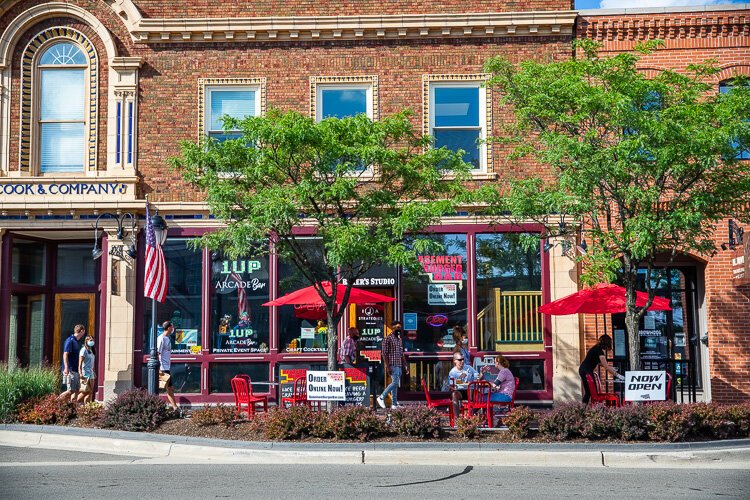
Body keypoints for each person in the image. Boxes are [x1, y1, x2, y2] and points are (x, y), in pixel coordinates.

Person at [579, 334, 623, 404]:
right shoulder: (599, 351)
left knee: (588, 392)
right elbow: (606, 367)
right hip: (586, 371)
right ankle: (591, 408)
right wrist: (618, 375)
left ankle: (583, 409)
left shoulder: (596, 348)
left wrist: (610, 367)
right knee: (593, 393)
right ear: (607, 343)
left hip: (583, 370)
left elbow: (599, 362)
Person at [377, 320, 408, 409]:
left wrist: (405, 365)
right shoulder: (387, 339)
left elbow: (401, 353)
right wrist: (387, 366)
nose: (399, 329)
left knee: (396, 384)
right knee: (394, 383)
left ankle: (394, 404)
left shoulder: (399, 339)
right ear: (393, 327)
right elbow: (384, 353)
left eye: (400, 328)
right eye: (398, 327)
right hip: (392, 364)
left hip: (399, 364)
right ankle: (381, 397)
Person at [58, 324, 86, 403]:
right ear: (81, 331)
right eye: (84, 331)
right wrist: (66, 368)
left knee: (76, 390)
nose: (84, 333)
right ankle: (55, 402)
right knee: (70, 390)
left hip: (76, 369)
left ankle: (72, 407)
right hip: (70, 370)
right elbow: (65, 354)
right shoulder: (70, 340)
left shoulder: (77, 342)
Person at [448, 352, 478, 418]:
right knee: (454, 395)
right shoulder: (452, 372)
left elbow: (477, 376)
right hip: (460, 391)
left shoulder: (469, 368)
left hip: (470, 391)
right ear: (454, 361)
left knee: (482, 396)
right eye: (460, 360)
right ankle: (457, 419)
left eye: (463, 359)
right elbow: (451, 384)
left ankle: (470, 415)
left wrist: (480, 375)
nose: (462, 361)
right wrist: (461, 378)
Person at [157, 321, 178, 410]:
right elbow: (158, 353)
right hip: (163, 367)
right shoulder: (161, 338)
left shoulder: (167, 338)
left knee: (169, 388)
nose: (173, 329)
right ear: (169, 328)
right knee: (169, 388)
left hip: (167, 367)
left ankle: (174, 407)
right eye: (172, 327)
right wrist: (159, 368)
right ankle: (175, 407)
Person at [77, 335, 96, 404]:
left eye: (92, 340)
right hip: (85, 373)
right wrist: (80, 373)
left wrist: (94, 372)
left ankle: (88, 408)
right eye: (90, 340)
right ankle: (73, 404)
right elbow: (80, 363)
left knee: (90, 391)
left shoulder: (91, 350)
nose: (92, 341)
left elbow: (92, 363)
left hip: (91, 373)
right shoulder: (83, 350)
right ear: (86, 341)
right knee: (84, 391)